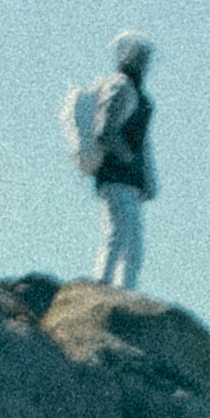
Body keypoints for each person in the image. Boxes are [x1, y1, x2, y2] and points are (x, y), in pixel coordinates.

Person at [63, 30, 158, 286]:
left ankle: (123, 290)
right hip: (115, 174)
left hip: (128, 178)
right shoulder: (119, 86)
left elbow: (141, 142)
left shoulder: (137, 94)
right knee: (119, 234)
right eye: (140, 55)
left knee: (133, 241)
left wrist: (147, 177)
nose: (144, 62)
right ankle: (104, 284)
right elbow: (105, 130)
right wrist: (127, 158)